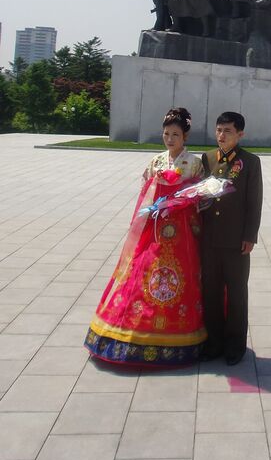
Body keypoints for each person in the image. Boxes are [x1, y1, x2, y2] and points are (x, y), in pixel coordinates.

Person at [84, 107, 207, 367]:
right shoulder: (155, 162)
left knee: (181, 277)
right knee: (142, 274)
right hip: (152, 232)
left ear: (185, 137)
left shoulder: (194, 163)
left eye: (175, 134)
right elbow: (145, 194)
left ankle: (181, 334)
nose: (170, 139)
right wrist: (155, 191)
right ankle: (132, 332)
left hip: (182, 231)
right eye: (166, 134)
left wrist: (180, 193)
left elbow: (199, 195)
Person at [200, 111, 263, 365]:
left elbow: (254, 202)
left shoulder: (250, 162)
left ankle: (235, 346)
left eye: (227, 131)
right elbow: (200, 195)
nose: (221, 135)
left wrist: (250, 235)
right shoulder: (206, 159)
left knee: (237, 293)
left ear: (240, 134)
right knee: (211, 292)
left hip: (236, 241)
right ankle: (214, 343)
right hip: (209, 239)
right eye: (218, 130)